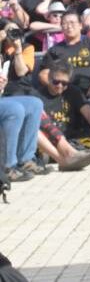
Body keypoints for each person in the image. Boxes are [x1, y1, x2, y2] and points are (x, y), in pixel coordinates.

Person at [33, 62, 90, 171]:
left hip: (71, 138)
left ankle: (67, 155)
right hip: (48, 141)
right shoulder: (37, 96)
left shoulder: (73, 91)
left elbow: (88, 111)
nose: (60, 86)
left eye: (64, 83)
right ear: (49, 78)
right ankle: (67, 156)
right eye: (56, 82)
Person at [0, 25, 46, 182]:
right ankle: (8, 166)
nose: (10, 35)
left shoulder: (21, 48)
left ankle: (25, 160)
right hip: (7, 98)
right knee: (15, 109)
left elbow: (21, 72)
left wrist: (17, 48)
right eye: (7, 31)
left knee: (35, 104)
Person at [39, 11, 90, 99]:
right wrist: (57, 88)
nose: (69, 26)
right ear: (61, 27)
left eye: (72, 22)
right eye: (65, 23)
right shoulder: (54, 50)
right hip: (65, 93)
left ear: (80, 25)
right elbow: (43, 74)